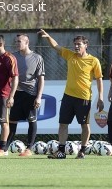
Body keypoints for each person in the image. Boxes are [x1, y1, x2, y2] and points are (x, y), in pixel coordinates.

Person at [37, 29, 104, 159]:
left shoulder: (93, 61)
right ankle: (61, 151)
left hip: (84, 98)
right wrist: (48, 36)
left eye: (79, 44)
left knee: (85, 125)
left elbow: (99, 79)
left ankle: (82, 151)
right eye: (75, 44)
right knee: (63, 124)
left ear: (86, 45)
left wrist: (100, 97)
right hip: (68, 97)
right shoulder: (70, 55)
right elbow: (56, 46)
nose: (76, 46)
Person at [5, 34, 45, 157]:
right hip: (15, 93)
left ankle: (29, 148)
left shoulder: (37, 58)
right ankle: (5, 147)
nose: (17, 43)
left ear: (27, 43)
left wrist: (38, 97)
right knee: (12, 121)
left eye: (19, 41)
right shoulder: (13, 57)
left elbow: (41, 79)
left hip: (30, 94)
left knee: (31, 121)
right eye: (16, 41)